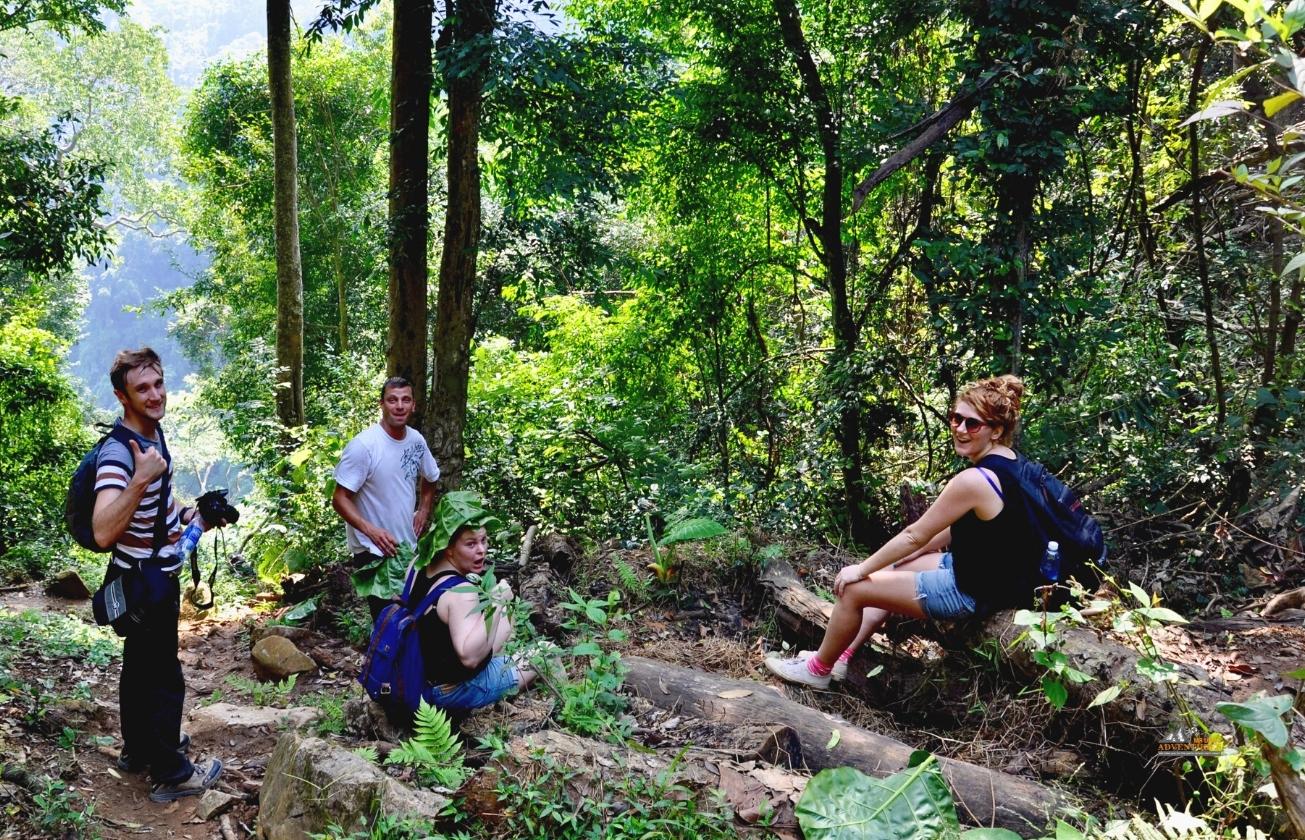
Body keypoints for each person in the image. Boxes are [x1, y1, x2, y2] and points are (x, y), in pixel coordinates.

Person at [765, 374, 1043, 689]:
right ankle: (842, 658)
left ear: (996, 431)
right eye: (956, 419)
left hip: (971, 591)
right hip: (993, 577)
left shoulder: (974, 480)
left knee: (854, 589)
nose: (961, 429)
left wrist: (862, 568)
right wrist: (899, 559)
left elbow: (915, 535)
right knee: (901, 565)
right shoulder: (1012, 465)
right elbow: (957, 529)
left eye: (973, 424)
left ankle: (818, 670)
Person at [91, 348, 225, 801]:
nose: (155, 395)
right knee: (164, 675)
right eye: (142, 389)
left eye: (158, 384)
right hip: (144, 582)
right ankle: (173, 771)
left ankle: (139, 749)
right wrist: (140, 479)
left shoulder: (153, 435)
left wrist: (191, 513)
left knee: (140, 668)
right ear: (121, 397)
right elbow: (104, 529)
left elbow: (156, 509)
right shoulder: (120, 453)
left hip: (142, 576)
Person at [407, 494, 538, 711]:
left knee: (507, 613)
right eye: (471, 544)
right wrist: (497, 600)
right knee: (546, 653)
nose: (482, 550)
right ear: (448, 547)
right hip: (450, 692)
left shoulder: (417, 564)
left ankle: (502, 669)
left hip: (417, 677)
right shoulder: (460, 592)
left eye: (484, 540)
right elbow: (469, 658)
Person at [332, 377, 441, 618]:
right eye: (392, 400)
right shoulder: (364, 446)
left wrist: (423, 509)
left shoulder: (416, 441)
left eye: (405, 400)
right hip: (374, 552)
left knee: (415, 621)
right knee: (388, 625)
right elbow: (340, 498)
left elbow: (431, 477)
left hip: (407, 549)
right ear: (382, 404)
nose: (399, 406)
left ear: (413, 405)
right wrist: (371, 530)